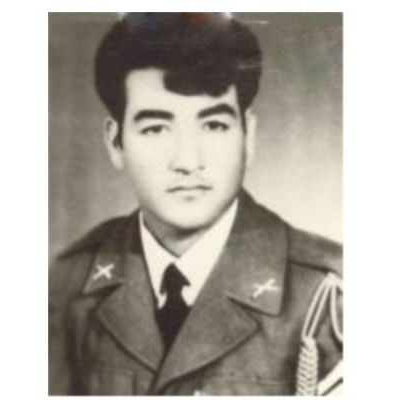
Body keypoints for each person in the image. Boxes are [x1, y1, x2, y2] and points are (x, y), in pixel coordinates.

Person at [49, 12, 342, 396]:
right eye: (156, 128)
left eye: (214, 125)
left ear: (248, 135)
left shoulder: (334, 296)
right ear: (115, 142)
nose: (188, 161)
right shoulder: (63, 286)